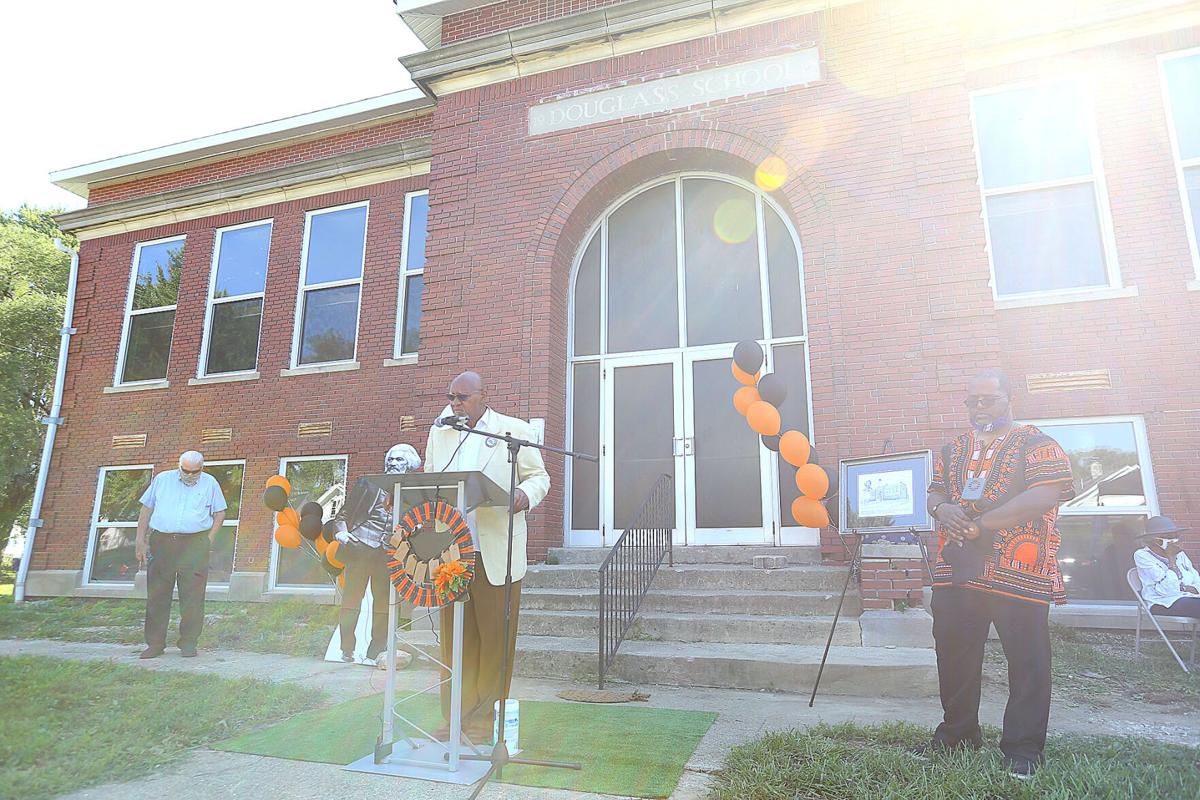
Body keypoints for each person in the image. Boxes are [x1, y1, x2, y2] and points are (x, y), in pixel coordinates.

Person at [922, 369, 1075, 779]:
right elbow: (935, 489)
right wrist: (942, 509)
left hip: (1018, 570)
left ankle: (1022, 749)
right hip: (957, 567)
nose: (977, 407)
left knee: (1027, 661)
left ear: (1010, 398)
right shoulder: (954, 448)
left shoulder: (1037, 443)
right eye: (971, 400)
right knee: (953, 654)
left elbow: (1046, 494)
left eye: (987, 399)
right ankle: (957, 734)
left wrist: (981, 524)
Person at [425, 371, 550, 742]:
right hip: (452, 552)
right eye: (450, 396)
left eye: (462, 397)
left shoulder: (513, 431)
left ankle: (483, 723)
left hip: (497, 551)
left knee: (495, 640)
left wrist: (524, 497)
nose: (454, 403)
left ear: (483, 396)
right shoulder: (440, 431)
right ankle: (454, 721)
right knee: (455, 641)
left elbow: (538, 477)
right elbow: (430, 477)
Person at [333, 443, 422, 664]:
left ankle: (376, 651)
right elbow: (343, 515)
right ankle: (346, 649)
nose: (392, 463)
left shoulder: (412, 492)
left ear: (410, 465)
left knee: (383, 603)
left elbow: (413, 523)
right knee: (352, 599)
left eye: (399, 460)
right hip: (361, 546)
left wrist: (414, 528)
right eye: (390, 459)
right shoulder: (368, 483)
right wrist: (341, 533)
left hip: (387, 552)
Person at [134, 450, 227, 658]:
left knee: (192, 596)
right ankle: (155, 644)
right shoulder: (162, 480)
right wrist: (140, 540)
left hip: (194, 544)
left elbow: (220, 512)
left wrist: (207, 540)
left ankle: (188, 643)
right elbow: (146, 509)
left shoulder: (210, 483)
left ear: (201, 469)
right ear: (179, 466)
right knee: (158, 595)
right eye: (186, 471)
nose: (190, 475)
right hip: (163, 543)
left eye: (195, 472)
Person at [1133, 516, 1200, 620]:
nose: (1174, 540)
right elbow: (1167, 591)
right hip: (1162, 602)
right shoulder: (1142, 555)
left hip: (1189, 597)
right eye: (1169, 537)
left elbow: (1196, 579)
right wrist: (1171, 559)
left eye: (1176, 536)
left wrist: (1187, 588)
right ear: (1155, 540)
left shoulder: (1180, 554)